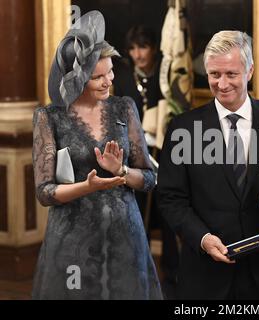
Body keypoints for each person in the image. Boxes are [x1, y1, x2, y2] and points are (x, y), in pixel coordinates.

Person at [157, 30, 259, 299]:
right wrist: (202, 239)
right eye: (215, 74)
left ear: (249, 71)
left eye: (231, 74)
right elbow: (171, 198)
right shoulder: (184, 128)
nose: (222, 83)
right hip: (206, 274)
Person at [31, 11, 163, 300]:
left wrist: (122, 172)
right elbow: (44, 193)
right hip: (72, 239)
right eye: (97, 77)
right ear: (75, 78)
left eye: (111, 72)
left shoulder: (124, 108)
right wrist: (86, 187)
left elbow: (151, 179)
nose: (108, 81)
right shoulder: (49, 118)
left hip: (125, 236)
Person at [113, 25, 179, 298]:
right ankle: (138, 265)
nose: (138, 54)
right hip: (134, 154)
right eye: (133, 48)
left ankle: (173, 268)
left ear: (153, 48)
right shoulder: (124, 76)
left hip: (165, 151)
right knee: (136, 211)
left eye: (143, 47)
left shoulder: (166, 75)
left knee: (168, 209)